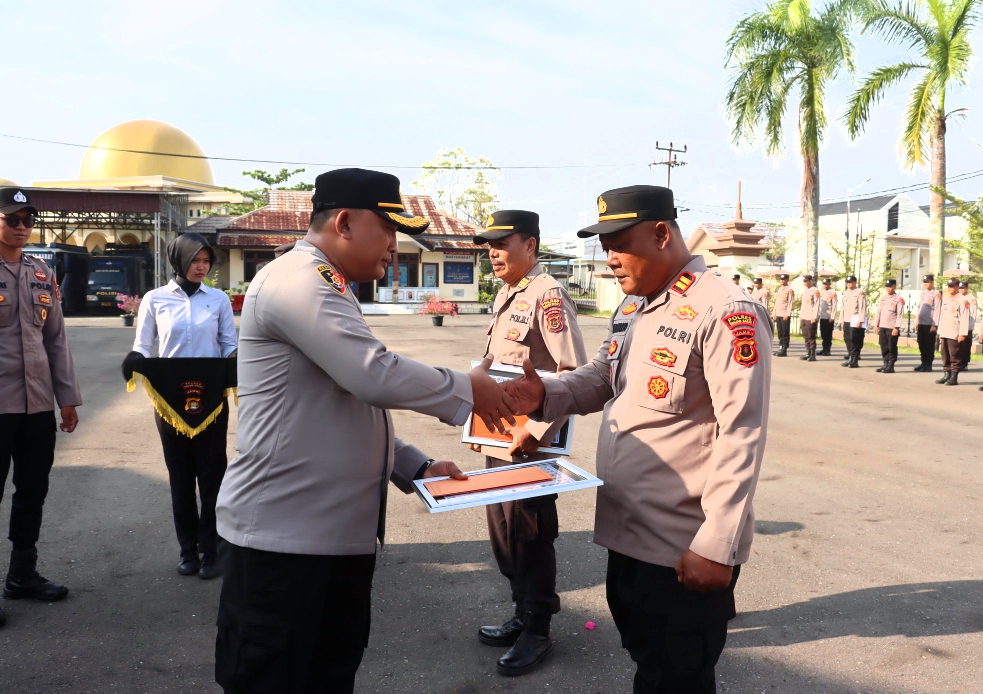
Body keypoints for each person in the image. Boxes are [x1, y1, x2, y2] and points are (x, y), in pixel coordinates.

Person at [214, 169, 519, 693]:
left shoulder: (328, 283)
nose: (395, 247)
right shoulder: (300, 279)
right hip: (284, 546)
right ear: (345, 222)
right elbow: (371, 374)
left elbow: (341, 401)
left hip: (326, 541)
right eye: (388, 229)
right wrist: (472, 389)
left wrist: (415, 466)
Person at [504, 185, 771, 694]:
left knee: (678, 678)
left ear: (662, 233)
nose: (609, 260)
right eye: (604, 246)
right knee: (649, 664)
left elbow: (743, 430)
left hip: (682, 544)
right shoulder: (636, 307)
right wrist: (547, 393)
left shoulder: (724, 309)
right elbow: (605, 377)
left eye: (619, 244)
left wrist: (718, 543)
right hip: (627, 536)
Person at [471, 210, 587, 676]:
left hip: (530, 443)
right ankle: (521, 612)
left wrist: (534, 431)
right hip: (497, 438)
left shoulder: (549, 295)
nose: (493, 252)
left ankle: (538, 629)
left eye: (502, 243)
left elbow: (571, 373)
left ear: (531, 246)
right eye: (489, 245)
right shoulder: (506, 293)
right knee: (504, 535)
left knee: (531, 536)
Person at [131, 232, 237, 579]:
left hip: (212, 401)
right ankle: (187, 551)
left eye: (206, 261)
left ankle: (211, 552)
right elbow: (145, 345)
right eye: (195, 260)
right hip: (171, 402)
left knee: (212, 478)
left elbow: (228, 344)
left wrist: (236, 362)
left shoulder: (218, 300)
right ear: (178, 260)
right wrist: (135, 359)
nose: (201, 266)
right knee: (180, 478)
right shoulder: (155, 299)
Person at [0, 187, 81, 627]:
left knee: (33, 491)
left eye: (27, 219)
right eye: (12, 218)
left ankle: (21, 574)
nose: (20, 227)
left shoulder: (40, 272)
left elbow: (56, 340)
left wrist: (66, 399)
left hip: (36, 407)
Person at [936, 278, 970, 385]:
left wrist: (963, 334)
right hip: (945, 331)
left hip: (955, 333)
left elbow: (964, 318)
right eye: (949, 286)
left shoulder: (963, 300)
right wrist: (940, 333)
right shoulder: (946, 300)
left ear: (957, 287)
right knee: (945, 355)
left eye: (952, 286)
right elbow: (941, 317)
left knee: (954, 355)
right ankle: (947, 374)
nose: (950, 288)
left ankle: (954, 376)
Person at [873, 279, 904, 373]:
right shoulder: (883, 298)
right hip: (882, 326)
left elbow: (900, 314)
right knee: (884, 345)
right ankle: (885, 363)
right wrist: (876, 325)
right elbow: (879, 312)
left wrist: (897, 327)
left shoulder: (899, 299)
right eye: (887, 287)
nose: (888, 289)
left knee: (891, 346)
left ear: (895, 286)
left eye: (890, 286)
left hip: (892, 327)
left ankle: (891, 365)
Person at [913, 274, 941, 372]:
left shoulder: (936, 294)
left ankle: (928, 364)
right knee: (921, 343)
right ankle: (923, 362)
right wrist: (917, 320)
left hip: (930, 324)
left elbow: (937, 310)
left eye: (927, 282)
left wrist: (934, 325)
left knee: (929, 345)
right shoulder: (923, 294)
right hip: (921, 323)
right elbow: (919, 308)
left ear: (932, 282)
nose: (925, 284)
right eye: (924, 282)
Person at [838, 275, 867, 369]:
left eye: (851, 282)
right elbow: (843, 307)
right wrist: (841, 320)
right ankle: (850, 357)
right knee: (847, 339)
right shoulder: (846, 293)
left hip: (855, 319)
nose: (849, 284)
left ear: (855, 282)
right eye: (847, 282)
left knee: (855, 339)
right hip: (846, 319)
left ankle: (855, 360)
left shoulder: (860, 292)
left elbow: (862, 307)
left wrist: (860, 320)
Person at [957, 281, 978, 373]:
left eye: (963, 288)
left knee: (965, 346)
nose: (961, 290)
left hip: (967, 326)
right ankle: (957, 363)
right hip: (958, 326)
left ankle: (964, 363)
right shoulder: (957, 297)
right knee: (957, 346)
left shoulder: (971, 299)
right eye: (960, 288)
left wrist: (970, 326)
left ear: (967, 288)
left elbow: (973, 313)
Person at [799, 275, 820, 361]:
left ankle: (812, 354)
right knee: (805, 335)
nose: (805, 283)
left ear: (811, 281)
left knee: (811, 335)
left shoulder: (815, 291)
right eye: (804, 281)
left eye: (807, 281)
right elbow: (803, 305)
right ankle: (808, 352)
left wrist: (814, 316)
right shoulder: (805, 291)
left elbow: (817, 304)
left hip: (811, 316)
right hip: (804, 316)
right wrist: (801, 315)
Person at [772, 274, 793, 357]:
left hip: (784, 314)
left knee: (785, 332)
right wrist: (774, 313)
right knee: (780, 332)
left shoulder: (789, 290)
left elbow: (790, 303)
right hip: (778, 314)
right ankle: (780, 348)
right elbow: (777, 303)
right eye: (781, 279)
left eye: (784, 279)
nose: (782, 280)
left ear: (787, 280)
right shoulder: (780, 290)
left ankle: (784, 349)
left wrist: (787, 314)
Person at [818, 277, 837, 356]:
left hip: (829, 317)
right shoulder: (821, 293)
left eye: (827, 284)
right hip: (822, 316)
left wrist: (832, 317)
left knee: (828, 335)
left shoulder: (833, 293)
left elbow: (834, 305)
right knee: (823, 334)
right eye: (824, 284)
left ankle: (827, 350)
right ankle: (823, 349)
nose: (825, 285)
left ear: (830, 284)